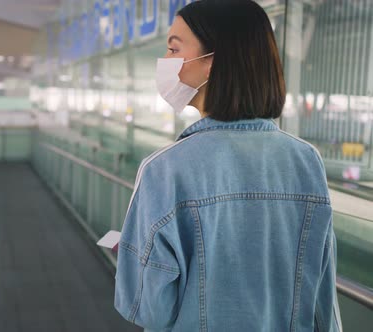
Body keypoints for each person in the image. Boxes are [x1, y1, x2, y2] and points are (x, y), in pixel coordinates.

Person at [113, 1, 342, 331]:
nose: (165, 62)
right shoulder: (306, 162)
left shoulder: (165, 170)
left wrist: (135, 254)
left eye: (174, 49)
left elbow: (144, 305)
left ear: (211, 63)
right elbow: (323, 301)